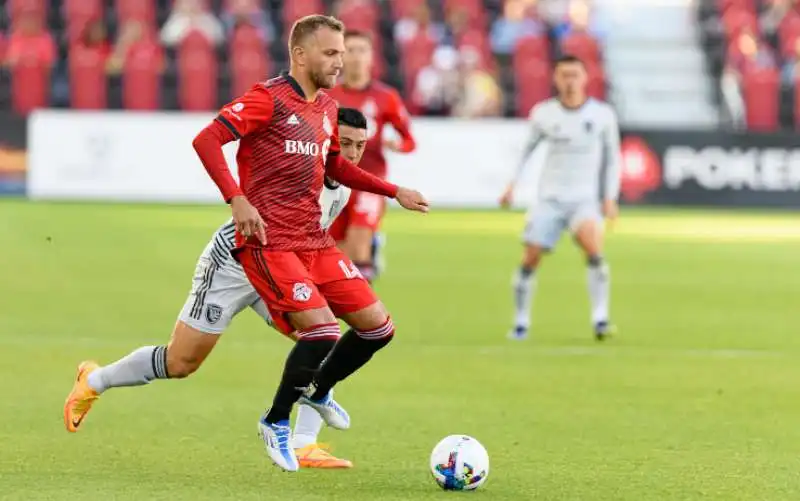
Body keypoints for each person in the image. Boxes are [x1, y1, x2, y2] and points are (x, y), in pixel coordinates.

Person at [63, 108, 371, 470]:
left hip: (281, 269)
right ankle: (94, 380)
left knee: (323, 340)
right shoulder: (298, 170)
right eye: (344, 143)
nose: (351, 154)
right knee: (180, 362)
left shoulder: (344, 188)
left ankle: (304, 444)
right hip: (234, 264)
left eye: (359, 146)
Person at [190, 15, 428, 472]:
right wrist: (237, 199)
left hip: (313, 242)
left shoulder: (327, 107)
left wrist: (393, 190)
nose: (342, 62)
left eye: (343, 52)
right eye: (332, 53)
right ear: (300, 54)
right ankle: (276, 421)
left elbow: (336, 168)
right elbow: (207, 139)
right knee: (321, 330)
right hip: (269, 242)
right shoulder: (268, 98)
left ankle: (317, 391)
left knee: (378, 328)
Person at [499, 54, 621, 342]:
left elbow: (613, 159)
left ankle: (600, 319)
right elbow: (525, 150)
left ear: (585, 77)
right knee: (529, 258)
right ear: (556, 78)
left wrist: (609, 197)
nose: (569, 81)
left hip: (584, 200)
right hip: (549, 199)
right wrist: (512, 184)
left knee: (594, 249)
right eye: (564, 75)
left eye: (574, 75)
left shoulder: (602, 115)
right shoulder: (544, 113)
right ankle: (520, 322)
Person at [327, 31, 416, 282]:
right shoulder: (328, 96)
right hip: (336, 181)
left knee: (358, 247)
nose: (356, 57)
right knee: (338, 254)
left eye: (362, 50)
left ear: (371, 57)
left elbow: (410, 140)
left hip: (370, 181)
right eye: (350, 51)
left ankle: (364, 318)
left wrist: (397, 145)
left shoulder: (385, 97)